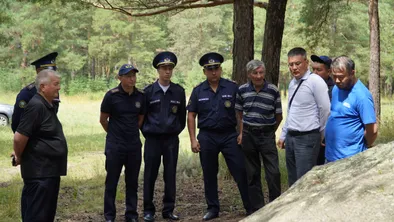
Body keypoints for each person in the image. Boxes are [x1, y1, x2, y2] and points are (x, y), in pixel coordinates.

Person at [187, 52, 251, 221]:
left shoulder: (232, 87)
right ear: (204, 71)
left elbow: (240, 112)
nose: (213, 72)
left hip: (229, 135)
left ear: (220, 69)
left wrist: (241, 132)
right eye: (210, 69)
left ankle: (249, 206)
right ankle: (213, 208)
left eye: (216, 68)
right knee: (209, 173)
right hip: (207, 136)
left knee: (240, 170)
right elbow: (191, 115)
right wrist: (193, 139)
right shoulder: (198, 91)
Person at [12, 69, 67, 222]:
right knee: (37, 216)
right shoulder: (36, 106)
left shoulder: (45, 105)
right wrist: (19, 156)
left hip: (48, 173)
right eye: (56, 84)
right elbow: (18, 137)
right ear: (43, 87)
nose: (59, 87)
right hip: (39, 174)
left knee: (45, 216)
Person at [141, 51, 186, 222]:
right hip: (152, 139)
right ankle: (148, 210)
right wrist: (149, 131)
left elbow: (182, 117)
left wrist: (173, 130)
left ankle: (168, 210)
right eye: (164, 68)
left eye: (170, 68)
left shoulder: (178, 91)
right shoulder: (148, 92)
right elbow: (142, 117)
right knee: (150, 175)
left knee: (170, 175)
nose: (167, 71)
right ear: (158, 70)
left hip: (171, 140)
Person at [277, 47, 330, 187]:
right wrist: (283, 134)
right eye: (291, 64)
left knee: (304, 182)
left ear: (306, 62)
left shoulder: (315, 81)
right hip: (291, 137)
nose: (294, 67)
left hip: (307, 138)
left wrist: (322, 134)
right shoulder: (292, 83)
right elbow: (291, 110)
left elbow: (325, 110)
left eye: (297, 63)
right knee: (292, 181)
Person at [235, 59, 282, 212]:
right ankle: (258, 209)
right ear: (249, 74)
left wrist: (269, 131)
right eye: (255, 73)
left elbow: (279, 116)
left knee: (273, 172)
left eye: (261, 72)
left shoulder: (273, 90)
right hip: (248, 135)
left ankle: (275, 207)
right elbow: (240, 114)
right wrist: (242, 133)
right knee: (252, 173)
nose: (258, 76)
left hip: (267, 135)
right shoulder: (242, 90)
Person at [100, 64, 145, 222]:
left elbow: (140, 118)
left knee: (132, 182)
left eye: (133, 75)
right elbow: (103, 120)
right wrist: (115, 134)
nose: (132, 79)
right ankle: (109, 216)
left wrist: (130, 132)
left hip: (133, 145)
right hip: (115, 145)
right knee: (111, 181)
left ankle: (131, 215)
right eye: (128, 76)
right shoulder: (111, 96)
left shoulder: (140, 96)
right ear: (120, 78)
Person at [325, 56, 378, 162]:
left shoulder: (362, 96)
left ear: (352, 73)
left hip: (350, 159)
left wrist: (362, 145)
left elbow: (372, 129)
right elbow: (335, 114)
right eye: (334, 76)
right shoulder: (336, 88)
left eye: (341, 77)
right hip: (330, 155)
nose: (337, 80)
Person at [12, 52, 59, 133]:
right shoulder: (26, 94)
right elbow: (17, 124)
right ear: (38, 72)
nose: (53, 75)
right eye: (49, 73)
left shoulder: (53, 91)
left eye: (54, 72)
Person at [311, 54, 335, 165]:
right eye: (313, 69)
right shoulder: (308, 86)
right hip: (311, 134)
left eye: (319, 70)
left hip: (328, 135)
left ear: (329, 71)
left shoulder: (334, 89)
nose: (315, 73)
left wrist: (324, 134)